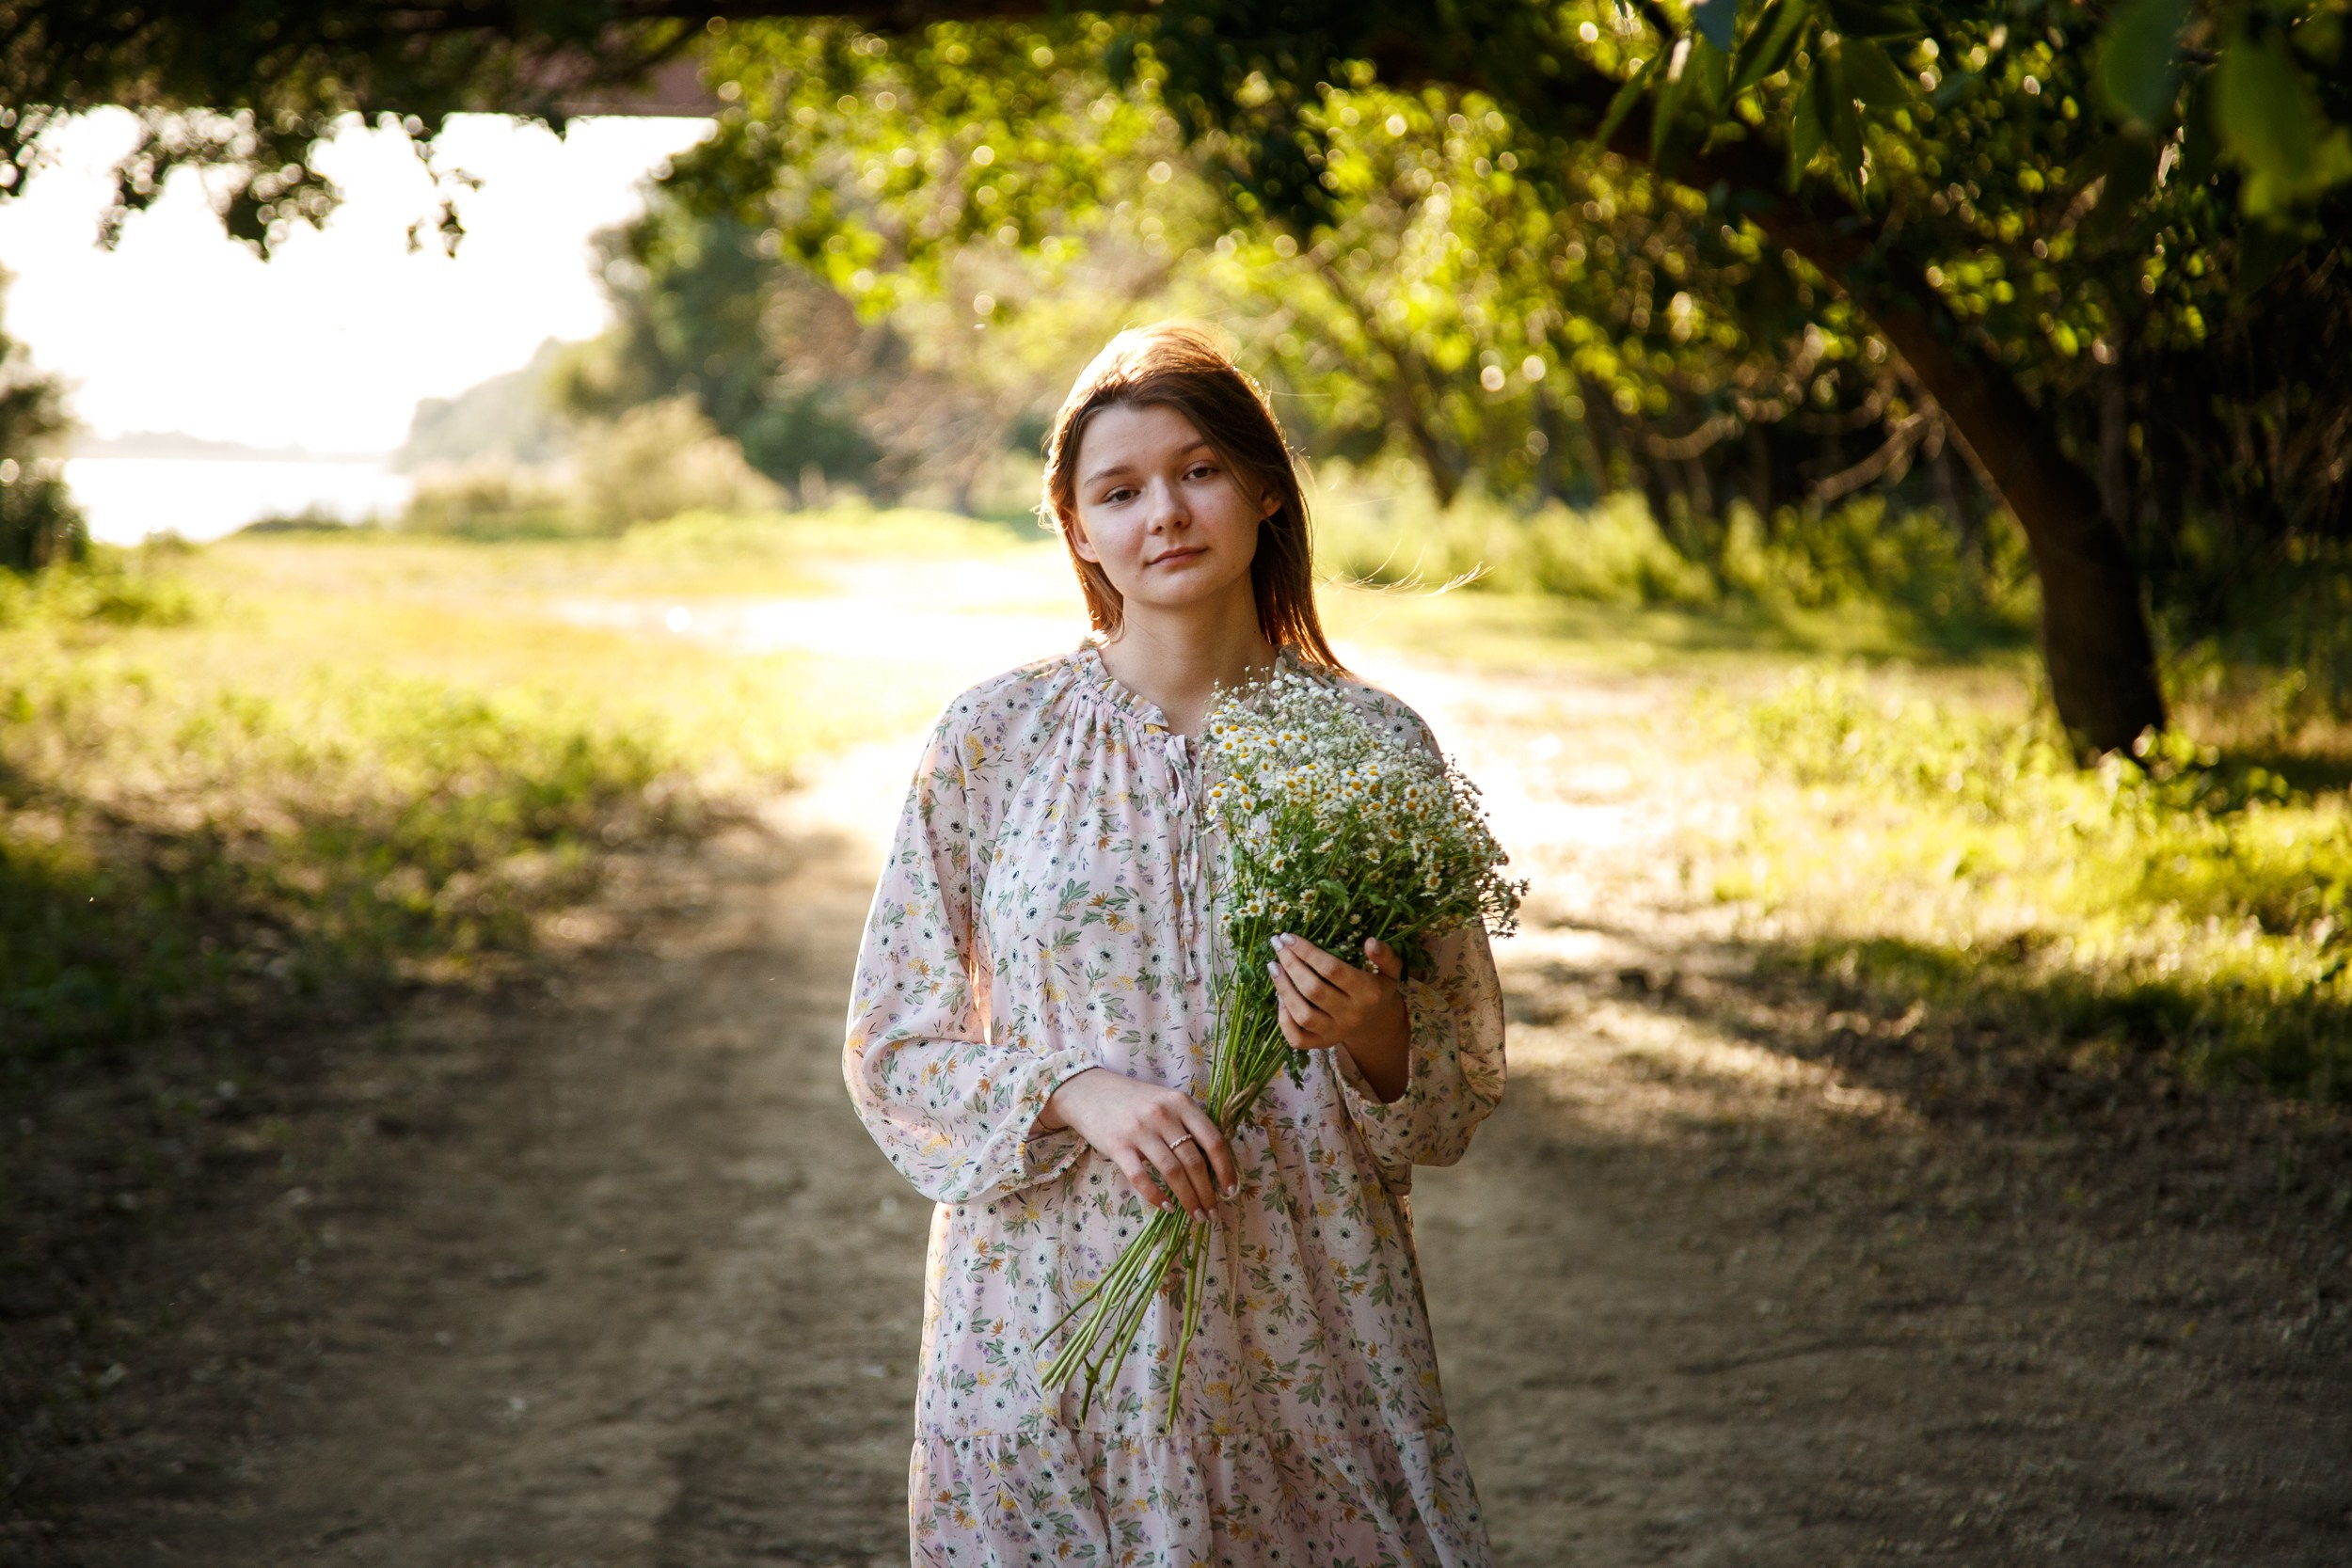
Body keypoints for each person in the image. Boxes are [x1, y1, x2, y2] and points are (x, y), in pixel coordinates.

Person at [844, 322, 1506, 1564]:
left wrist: (1368, 1027)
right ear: (1078, 529)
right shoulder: (994, 739)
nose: (1166, 512)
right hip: (1046, 1308)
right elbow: (893, 1050)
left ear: (1264, 489)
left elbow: (1448, 1091)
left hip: (1306, 1315)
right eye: (1120, 490)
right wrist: (1071, 1092)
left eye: (1198, 471)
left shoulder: (1373, 747)